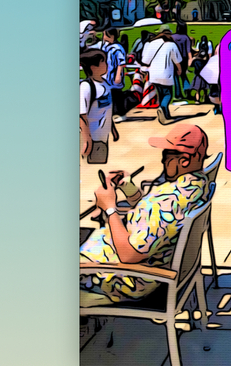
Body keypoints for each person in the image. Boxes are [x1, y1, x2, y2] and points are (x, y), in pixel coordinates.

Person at [79, 123, 211, 306]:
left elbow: (128, 255)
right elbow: (154, 219)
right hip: (137, 262)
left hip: (125, 279)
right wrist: (130, 189)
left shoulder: (167, 203)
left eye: (166, 155)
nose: (163, 161)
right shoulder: (194, 185)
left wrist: (110, 208)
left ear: (184, 160)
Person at [80, 49, 114, 163]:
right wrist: (87, 139)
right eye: (103, 61)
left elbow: (107, 109)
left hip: (104, 136)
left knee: (101, 163)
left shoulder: (105, 83)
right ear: (93, 67)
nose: (107, 64)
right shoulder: (86, 87)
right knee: (95, 166)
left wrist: (113, 129)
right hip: (94, 138)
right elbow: (82, 115)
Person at [148, 30, 183, 124]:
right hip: (165, 73)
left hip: (154, 74)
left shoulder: (153, 44)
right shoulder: (172, 45)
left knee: (161, 94)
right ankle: (162, 108)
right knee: (168, 94)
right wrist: (179, 69)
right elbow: (177, 60)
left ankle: (166, 115)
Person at [100, 27, 127, 115]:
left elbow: (121, 63)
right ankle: (113, 113)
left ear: (111, 36)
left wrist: (118, 76)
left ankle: (122, 114)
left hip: (115, 76)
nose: (103, 37)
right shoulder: (106, 47)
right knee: (110, 96)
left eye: (105, 35)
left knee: (118, 96)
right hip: (108, 77)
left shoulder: (117, 48)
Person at [170, 27, 192, 100]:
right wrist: (190, 59)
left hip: (174, 58)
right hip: (184, 58)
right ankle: (187, 88)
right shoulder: (186, 37)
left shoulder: (172, 37)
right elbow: (188, 50)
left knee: (175, 76)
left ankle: (178, 94)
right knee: (183, 75)